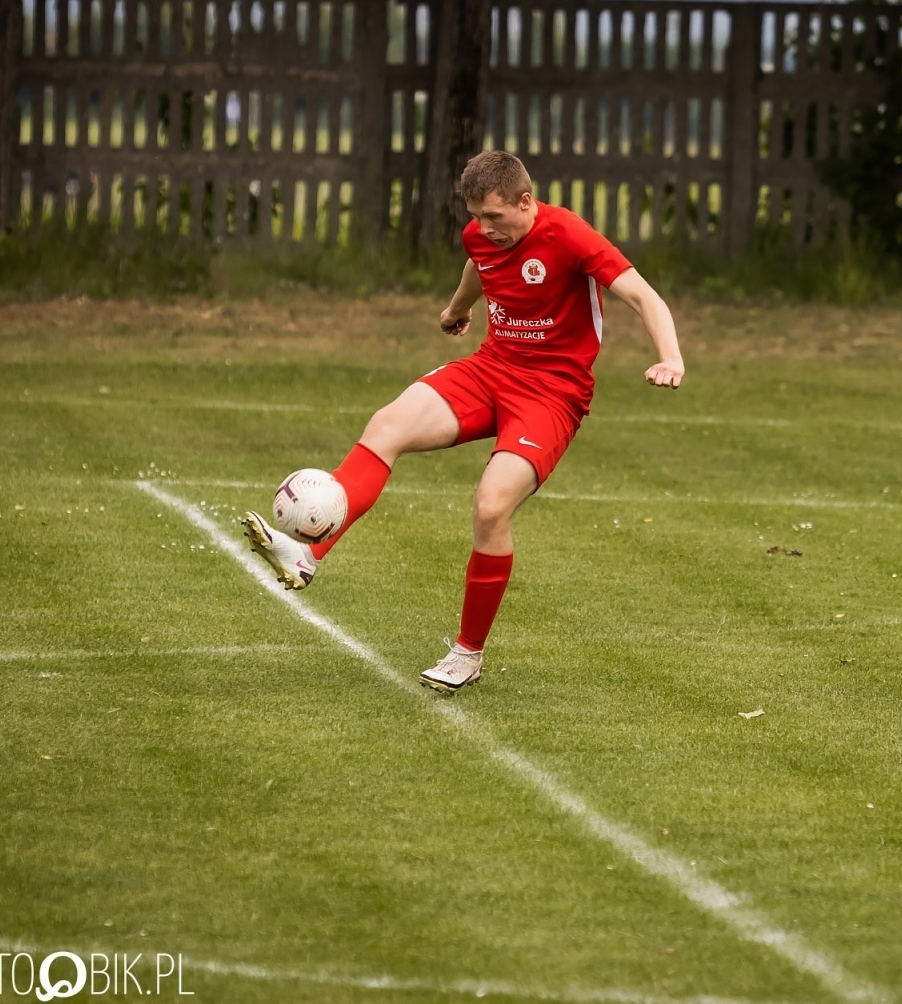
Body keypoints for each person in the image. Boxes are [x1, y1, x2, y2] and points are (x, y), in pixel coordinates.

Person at [241, 150, 686, 692]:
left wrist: (670, 357)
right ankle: (307, 553)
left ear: (526, 202)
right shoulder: (481, 236)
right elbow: (479, 263)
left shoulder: (568, 234)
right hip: (491, 369)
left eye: (495, 216)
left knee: (491, 506)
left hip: (551, 394)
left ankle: (467, 655)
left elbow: (642, 295)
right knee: (387, 425)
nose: (483, 227)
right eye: (475, 215)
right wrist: (458, 309)